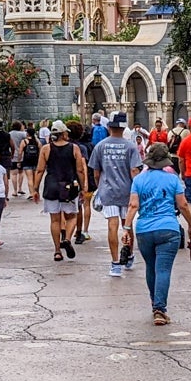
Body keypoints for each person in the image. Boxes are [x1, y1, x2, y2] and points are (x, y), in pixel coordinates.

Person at [125, 143, 191, 325]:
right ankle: (160, 309)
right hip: (168, 229)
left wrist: (126, 228)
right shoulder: (172, 179)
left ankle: (154, 302)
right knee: (163, 269)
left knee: (151, 267)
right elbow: (182, 205)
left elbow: (133, 205)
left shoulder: (139, 180)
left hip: (144, 230)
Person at [88, 111, 144, 277]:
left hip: (108, 191)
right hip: (127, 192)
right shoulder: (131, 147)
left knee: (112, 225)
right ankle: (129, 254)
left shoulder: (100, 146)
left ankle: (115, 264)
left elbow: (96, 172)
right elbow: (135, 170)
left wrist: (100, 187)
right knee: (127, 225)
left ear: (109, 126)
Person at [36, 115, 88, 261]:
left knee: (55, 220)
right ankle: (67, 239)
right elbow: (80, 170)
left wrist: (34, 189)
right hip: (69, 186)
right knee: (71, 216)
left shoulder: (46, 149)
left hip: (52, 186)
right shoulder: (74, 148)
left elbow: (40, 170)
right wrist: (83, 187)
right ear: (64, 133)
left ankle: (57, 250)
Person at [74, 120, 98, 244]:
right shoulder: (92, 146)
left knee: (77, 205)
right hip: (89, 177)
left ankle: (76, 228)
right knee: (86, 204)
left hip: (77, 178)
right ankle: (85, 230)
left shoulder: (76, 147)